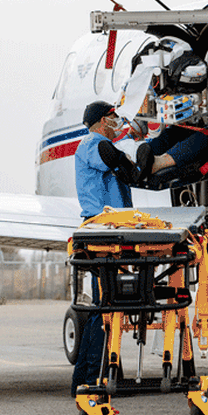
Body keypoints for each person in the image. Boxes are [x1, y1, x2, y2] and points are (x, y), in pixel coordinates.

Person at [71, 100, 133, 396]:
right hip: (102, 232)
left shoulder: (102, 147)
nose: (116, 121)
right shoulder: (91, 144)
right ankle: (91, 380)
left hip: (116, 232)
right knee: (106, 307)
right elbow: (111, 156)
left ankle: (96, 375)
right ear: (99, 121)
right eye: (112, 117)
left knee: (109, 306)